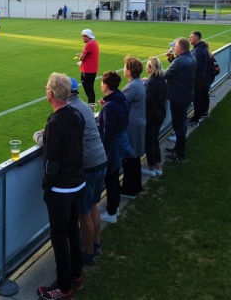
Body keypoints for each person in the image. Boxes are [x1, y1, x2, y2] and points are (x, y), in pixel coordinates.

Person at [33, 77, 107, 267]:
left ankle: (88, 254)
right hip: (99, 160)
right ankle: (96, 245)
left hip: (84, 168)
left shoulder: (66, 115)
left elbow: (54, 151)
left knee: (82, 215)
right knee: (91, 207)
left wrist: (48, 185)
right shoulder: (79, 109)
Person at [36, 73, 85, 300]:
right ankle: (76, 274)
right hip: (77, 183)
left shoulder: (56, 122)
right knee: (73, 231)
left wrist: (48, 185)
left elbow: (53, 161)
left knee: (59, 238)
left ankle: (64, 288)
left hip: (62, 189)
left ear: (51, 94)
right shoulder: (76, 114)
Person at [97, 71, 133, 224]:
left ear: (105, 86)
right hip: (118, 144)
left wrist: (103, 151)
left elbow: (108, 132)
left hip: (112, 148)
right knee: (114, 176)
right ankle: (115, 207)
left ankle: (112, 212)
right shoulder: (120, 98)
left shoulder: (111, 106)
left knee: (111, 178)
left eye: (101, 83)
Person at [163, 37, 196, 162]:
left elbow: (165, 75)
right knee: (181, 124)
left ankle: (180, 154)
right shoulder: (191, 58)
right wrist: (172, 59)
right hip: (186, 95)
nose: (173, 48)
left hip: (178, 97)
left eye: (175, 46)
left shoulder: (180, 61)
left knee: (179, 126)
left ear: (180, 48)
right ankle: (178, 148)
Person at [120, 56, 146, 199]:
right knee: (134, 158)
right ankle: (135, 186)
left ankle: (129, 189)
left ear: (129, 71)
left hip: (132, 126)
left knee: (130, 157)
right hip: (138, 123)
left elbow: (121, 104)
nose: (123, 69)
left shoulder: (132, 87)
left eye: (125, 67)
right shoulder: (138, 83)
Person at [143, 57, 167, 176]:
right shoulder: (161, 79)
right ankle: (158, 166)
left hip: (151, 115)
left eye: (147, 66)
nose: (145, 67)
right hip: (160, 113)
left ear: (151, 68)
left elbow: (148, 100)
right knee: (155, 140)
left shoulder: (152, 82)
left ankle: (151, 167)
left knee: (149, 141)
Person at [188, 31, 213, 126]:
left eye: (191, 37)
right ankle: (203, 112)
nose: (190, 39)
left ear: (196, 39)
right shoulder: (202, 48)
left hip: (199, 80)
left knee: (197, 99)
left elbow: (195, 66)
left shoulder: (198, 50)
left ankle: (196, 118)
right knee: (203, 96)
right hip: (205, 78)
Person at [77, 29, 99, 104]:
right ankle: (91, 106)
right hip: (92, 70)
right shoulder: (94, 43)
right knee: (90, 90)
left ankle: (91, 107)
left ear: (87, 36)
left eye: (82, 36)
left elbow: (81, 58)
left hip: (87, 71)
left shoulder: (89, 45)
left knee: (89, 91)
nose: (82, 38)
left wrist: (79, 56)